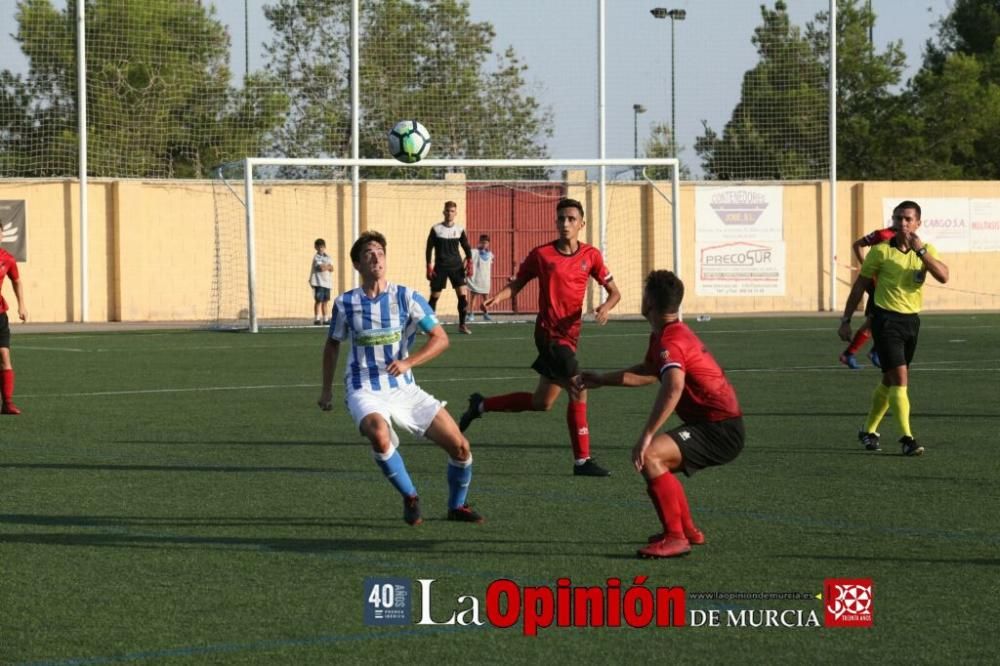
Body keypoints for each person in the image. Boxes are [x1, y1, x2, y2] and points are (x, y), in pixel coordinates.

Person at [318, 231, 483, 525]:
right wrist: (327, 390)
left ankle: (457, 506)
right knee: (379, 436)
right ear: (357, 264)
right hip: (363, 388)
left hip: (405, 388)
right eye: (369, 253)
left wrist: (409, 361)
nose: (376, 257)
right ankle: (410, 497)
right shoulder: (345, 303)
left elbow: (441, 338)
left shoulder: (407, 297)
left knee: (461, 447)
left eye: (380, 251)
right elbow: (332, 344)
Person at [579, 270, 744, 558]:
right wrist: (602, 379)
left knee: (652, 455)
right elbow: (649, 373)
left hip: (720, 429)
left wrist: (646, 437)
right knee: (658, 460)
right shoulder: (665, 335)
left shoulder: (671, 341)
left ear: (649, 303)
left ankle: (675, 538)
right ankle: (688, 531)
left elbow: (673, 385)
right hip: (717, 425)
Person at [459, 198, 621, 477]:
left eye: (571, 219)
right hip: (548, 334)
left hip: (570, 337)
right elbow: (518, 283)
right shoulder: (542, 255)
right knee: (578, 386)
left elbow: (615, 292)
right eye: (561, 219)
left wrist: (605, 307)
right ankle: (582, 461)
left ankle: (481, 405)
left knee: (541, 403)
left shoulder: (591, 256)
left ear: (582, 223)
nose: (565, 223)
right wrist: (499, 297)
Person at [838, 200, 949, 457]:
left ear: (918, 223)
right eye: (898, 218)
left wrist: (921, 253)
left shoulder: (927, 249)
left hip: (911, 322)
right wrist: (845, 320)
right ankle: (907, 438)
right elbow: (859, 286)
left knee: (889, 380)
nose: (902, 223)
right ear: (893, 220)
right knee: (900, 380)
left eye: (908, 219)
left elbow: (943, 276)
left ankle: (868, 430)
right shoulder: (880, 251)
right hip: (885, 320)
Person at [839, 225, 896, 369]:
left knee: (877, 319)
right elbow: (857, 245)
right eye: (900, 218)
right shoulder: (882, 234)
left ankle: (853, 353)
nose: (904, 222)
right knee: (886, 318)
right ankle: (868, 352)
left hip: (889, 285)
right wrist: (866, 266)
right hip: (878, 283)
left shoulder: (909, 239)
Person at [426, 201, 474, 334]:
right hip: (440, 267)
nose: (449, 213)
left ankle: (462, 325)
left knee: (463, 298)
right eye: (447, 211)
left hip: (456, 267)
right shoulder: (436, 229)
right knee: (434, 297)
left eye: (452, 211)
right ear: (444, 212)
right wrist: (428, 265)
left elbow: (466, 246)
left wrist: (469, 260)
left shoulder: (459, 229)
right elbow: (429, 248)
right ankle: (429, 326)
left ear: (455, 213)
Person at [0, 245, 27, 415]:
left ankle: (7, 403)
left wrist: (21, 305)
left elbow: (16, 280)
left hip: (0, 314)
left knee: (4, 354)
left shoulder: (7, 258)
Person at [466, 234, 494, 322]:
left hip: (485, 280)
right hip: (476, 279)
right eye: (482, 242)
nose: (484, 244)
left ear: (488, 244)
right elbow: (467, 259)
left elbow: (491, 263)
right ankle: (471, 314)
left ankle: (486, 313)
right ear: (479, 242)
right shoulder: (474, 252)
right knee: (473, 297)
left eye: (486, 243)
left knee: (486, 298)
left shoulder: (490, 254)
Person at [310, 238, 334, 325]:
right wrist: (327, 266)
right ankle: (317, 318)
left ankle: (325, 318)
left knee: (325, 301)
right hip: (318, 282)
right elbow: (320, 268)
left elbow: (332, 268)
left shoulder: (328, 257)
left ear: (325, 247)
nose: (321, 249)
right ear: (315, 247)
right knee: (318, 300)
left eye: (322, 247)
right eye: (319, 247)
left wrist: (326, 267)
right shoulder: (316, 257)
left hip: (327, 283)